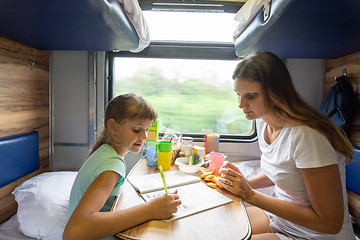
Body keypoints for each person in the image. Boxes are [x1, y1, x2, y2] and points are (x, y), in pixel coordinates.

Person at [218, 51, 355, 240]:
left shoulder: (307, 136)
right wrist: (244, 184)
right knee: (220, 227)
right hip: (283, 219)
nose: (241, 104)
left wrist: (250, 195)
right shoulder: (263, 122)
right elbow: (284, 171)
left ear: (275, 92)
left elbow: (330, 223)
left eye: (251, 95)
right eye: (238, 95)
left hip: (316, 235)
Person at [63, 93, 181, 240]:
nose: (144, 137)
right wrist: (151, 209)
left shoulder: (104, 152)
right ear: (113, 127)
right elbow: (73, 233)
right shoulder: (112, 165)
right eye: (137, 130)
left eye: (147, 129)